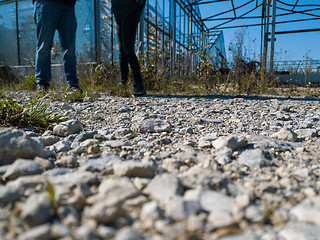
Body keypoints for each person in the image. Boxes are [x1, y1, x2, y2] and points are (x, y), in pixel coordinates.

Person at [33, 0, 81, 93]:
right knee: (44, 46)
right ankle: (42, 84)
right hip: (46, 3)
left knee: (70, 50)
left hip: (68, 6)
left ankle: (73, 85)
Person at [111, 0, 147, 96]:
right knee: (122, 51)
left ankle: (139, 85)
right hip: (119, 15)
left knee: (128, 50)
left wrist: (138, 8)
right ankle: (123, 85)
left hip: (130, 12)